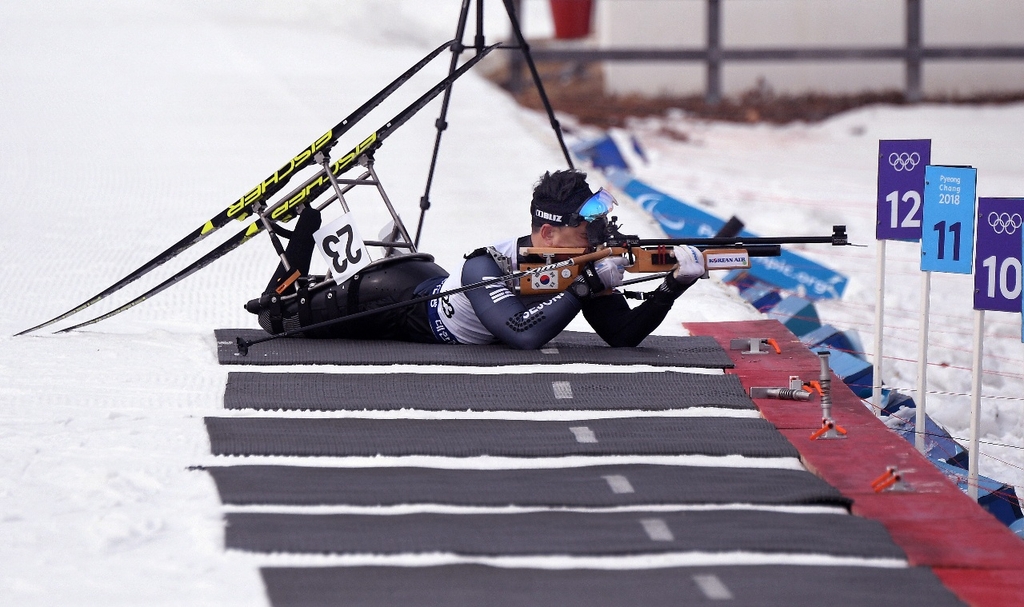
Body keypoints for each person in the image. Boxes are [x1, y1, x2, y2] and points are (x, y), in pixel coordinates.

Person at [246, 169, 705, 349]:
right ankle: (306, 226)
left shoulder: (577, 262)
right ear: (548, 232)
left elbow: (621, 336)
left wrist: (672, 287)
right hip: (392, 300)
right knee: (282, 317)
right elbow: (521, 338)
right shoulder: (485, 265)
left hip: (425, 276)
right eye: (585, 226)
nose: (596, 233)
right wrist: (583, 285)